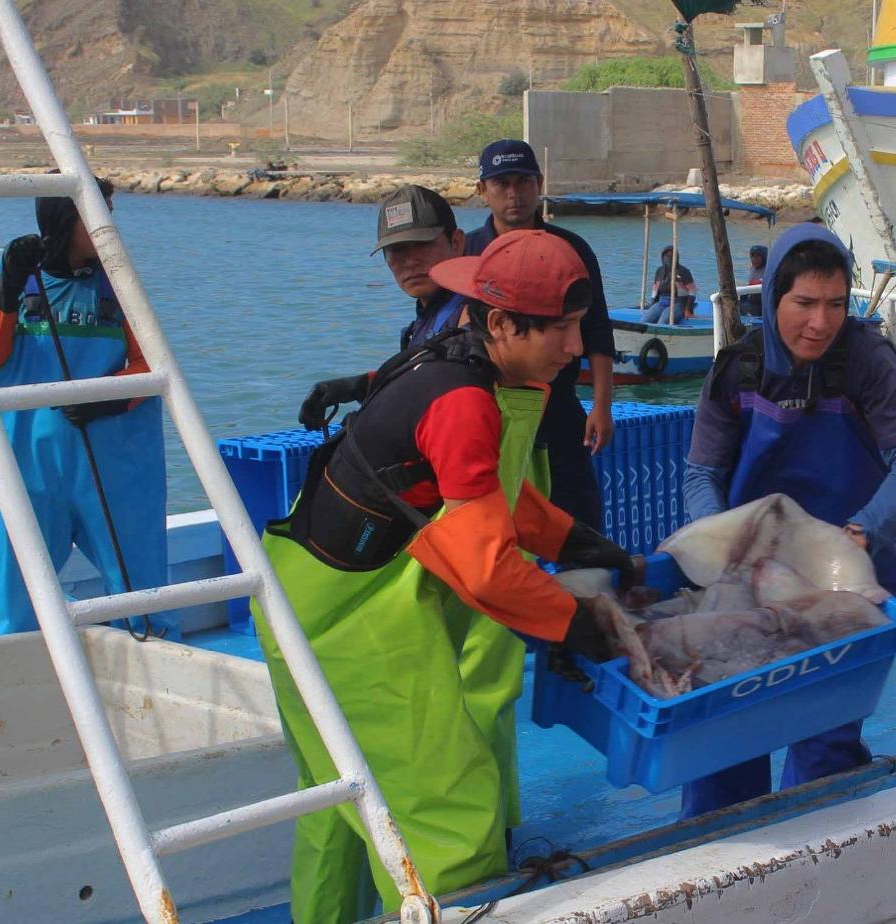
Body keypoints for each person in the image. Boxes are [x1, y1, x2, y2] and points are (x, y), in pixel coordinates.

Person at [253, 229, 637, 923]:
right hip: (349, 629)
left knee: (342, 807)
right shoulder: (461, 400)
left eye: (579, 326)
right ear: (500, 322)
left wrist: (578, 542)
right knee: (448, 811)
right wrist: (587, 625)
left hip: (298, 599)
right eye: (560, 329)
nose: (576, 348)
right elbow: (486, 571)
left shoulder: (461, 363)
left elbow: (492, 494)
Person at [679, 223, 896, 818]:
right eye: (804, 304)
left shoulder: (866, 362)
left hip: (847, 572)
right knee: (725, 741)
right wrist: (721, 545)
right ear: (772, 298)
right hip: (750, 575)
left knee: (825, 744)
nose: (820, 323)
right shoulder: (736, 371)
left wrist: (863, 530)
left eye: (836, 305)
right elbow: (701, 475)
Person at [0, 178, 178, 640]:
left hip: (112, 464)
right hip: (28, 461)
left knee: (142, 595)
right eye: (97, 212)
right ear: (66, 219)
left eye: (109, 210)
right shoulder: (12, 277)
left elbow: (153, 363)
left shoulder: (119, 283)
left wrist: (109, 395)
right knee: (15, 596)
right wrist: (7, 285)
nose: (109, 224)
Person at [465, 139, 615, 528]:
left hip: (557, 403)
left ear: (539, 183)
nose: (513, 194)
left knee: (579, 521)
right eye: (501, 184)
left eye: (523, 182)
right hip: (486, 409)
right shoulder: (467, 253)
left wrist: (602, 405)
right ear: (483, 191)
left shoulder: (571, 248)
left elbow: (597, 329)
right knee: (494, 523)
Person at [297, 185, 467, 430]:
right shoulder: (426, 320)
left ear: (457, 242)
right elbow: (418, 379)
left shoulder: (475, 317)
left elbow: (447, 398)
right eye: (397, 250)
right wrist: (359, 386)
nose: (410, 261)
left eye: (423, 244)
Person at [643, 245, 698, 323]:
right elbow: (655, 290)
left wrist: (688, 310)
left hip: (678, 303)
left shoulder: (683, 271)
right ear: (662, 257)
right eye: (666, 255)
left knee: (662, 321)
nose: (669, 257)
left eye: (671, 255)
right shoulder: (660, 271)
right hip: (661, 302)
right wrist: (652, 305)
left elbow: (692, 290)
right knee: (644, 321)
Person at [737, 244, 768, 316]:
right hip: (752, 300)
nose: (755, 259)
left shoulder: (768, 270)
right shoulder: (752, 269)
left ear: (763, 257)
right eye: (753, 256)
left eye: (758, 256)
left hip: (762, 305)